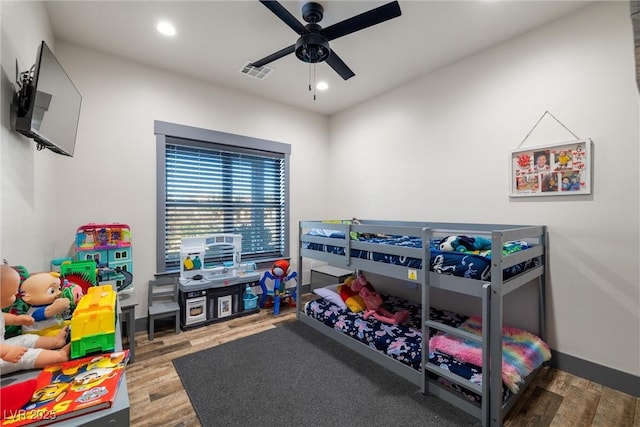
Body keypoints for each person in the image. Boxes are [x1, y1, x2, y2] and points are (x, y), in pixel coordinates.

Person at [0, 265, 70, 375]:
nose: (16, 295)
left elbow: (2, 317)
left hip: (2, 345)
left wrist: (16, 319)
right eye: (12, 294)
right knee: (25, 356)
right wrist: (7, 352)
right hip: (2, 356)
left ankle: (56, 341)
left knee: (26, 339)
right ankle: (59, 356)